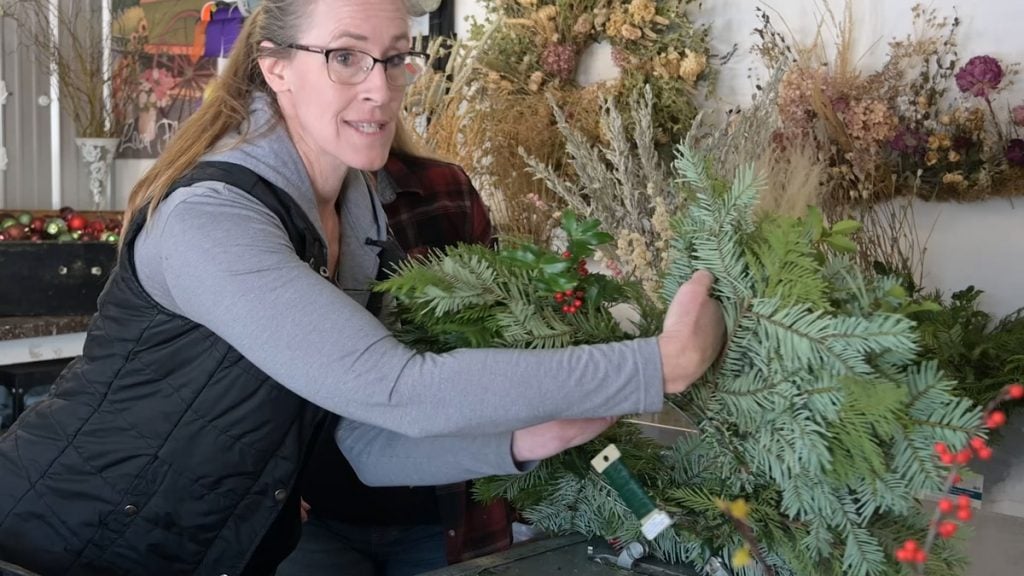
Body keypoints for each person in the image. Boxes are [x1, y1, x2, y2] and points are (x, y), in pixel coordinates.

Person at [0, 1, 726, 575]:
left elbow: (359, 443)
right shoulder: (212, 218)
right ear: (275, 67)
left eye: (395, 58)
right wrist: (656, 367)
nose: (380, 88)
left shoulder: (355, 216)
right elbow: (395, 387)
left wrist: (521, 440)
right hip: (56, 542)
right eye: (345, 57)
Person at [278, 148, 509, 576]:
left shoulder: (440, 189)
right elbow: (230, 371)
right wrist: (261, 480)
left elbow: (504, 325)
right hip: (310, 512)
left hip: (439, 509)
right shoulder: (260, 202)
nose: (373, 93)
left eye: (386, 76)